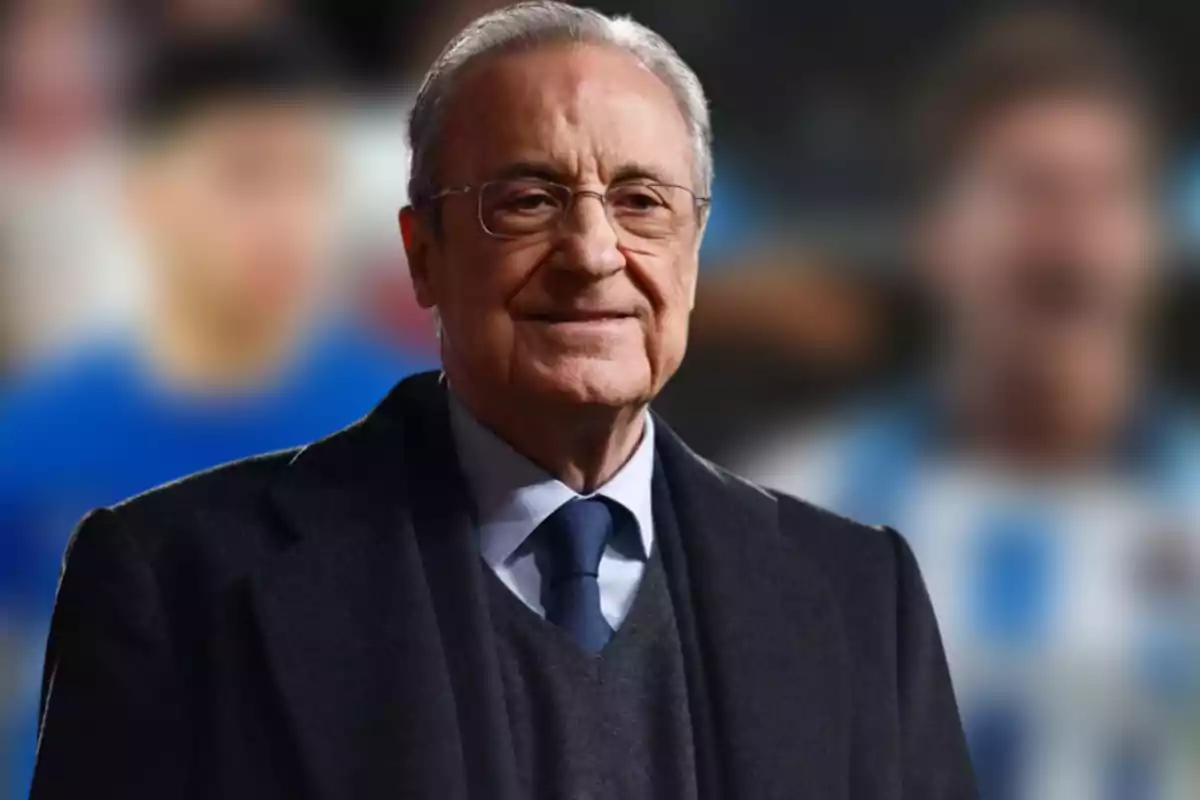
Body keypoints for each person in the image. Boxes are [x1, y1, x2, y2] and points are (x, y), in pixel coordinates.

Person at [30, 4, 975, 798]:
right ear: (423, 253)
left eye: (643, 202)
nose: (593, 252)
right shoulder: (175, 584)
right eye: (528, 199)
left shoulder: (861, 599)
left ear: (694, 253)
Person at [738, 10, 1200, 799]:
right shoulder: (802, 510)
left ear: (1154, 244)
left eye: (1105, 193)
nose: (1068, 233)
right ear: (938, 236)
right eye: (1028, 191)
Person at [2, 23, 432, 796]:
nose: (286, 218)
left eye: (309, 180)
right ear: (145, 194)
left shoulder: (425, 422)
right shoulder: (34, 439)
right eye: (247, 176)